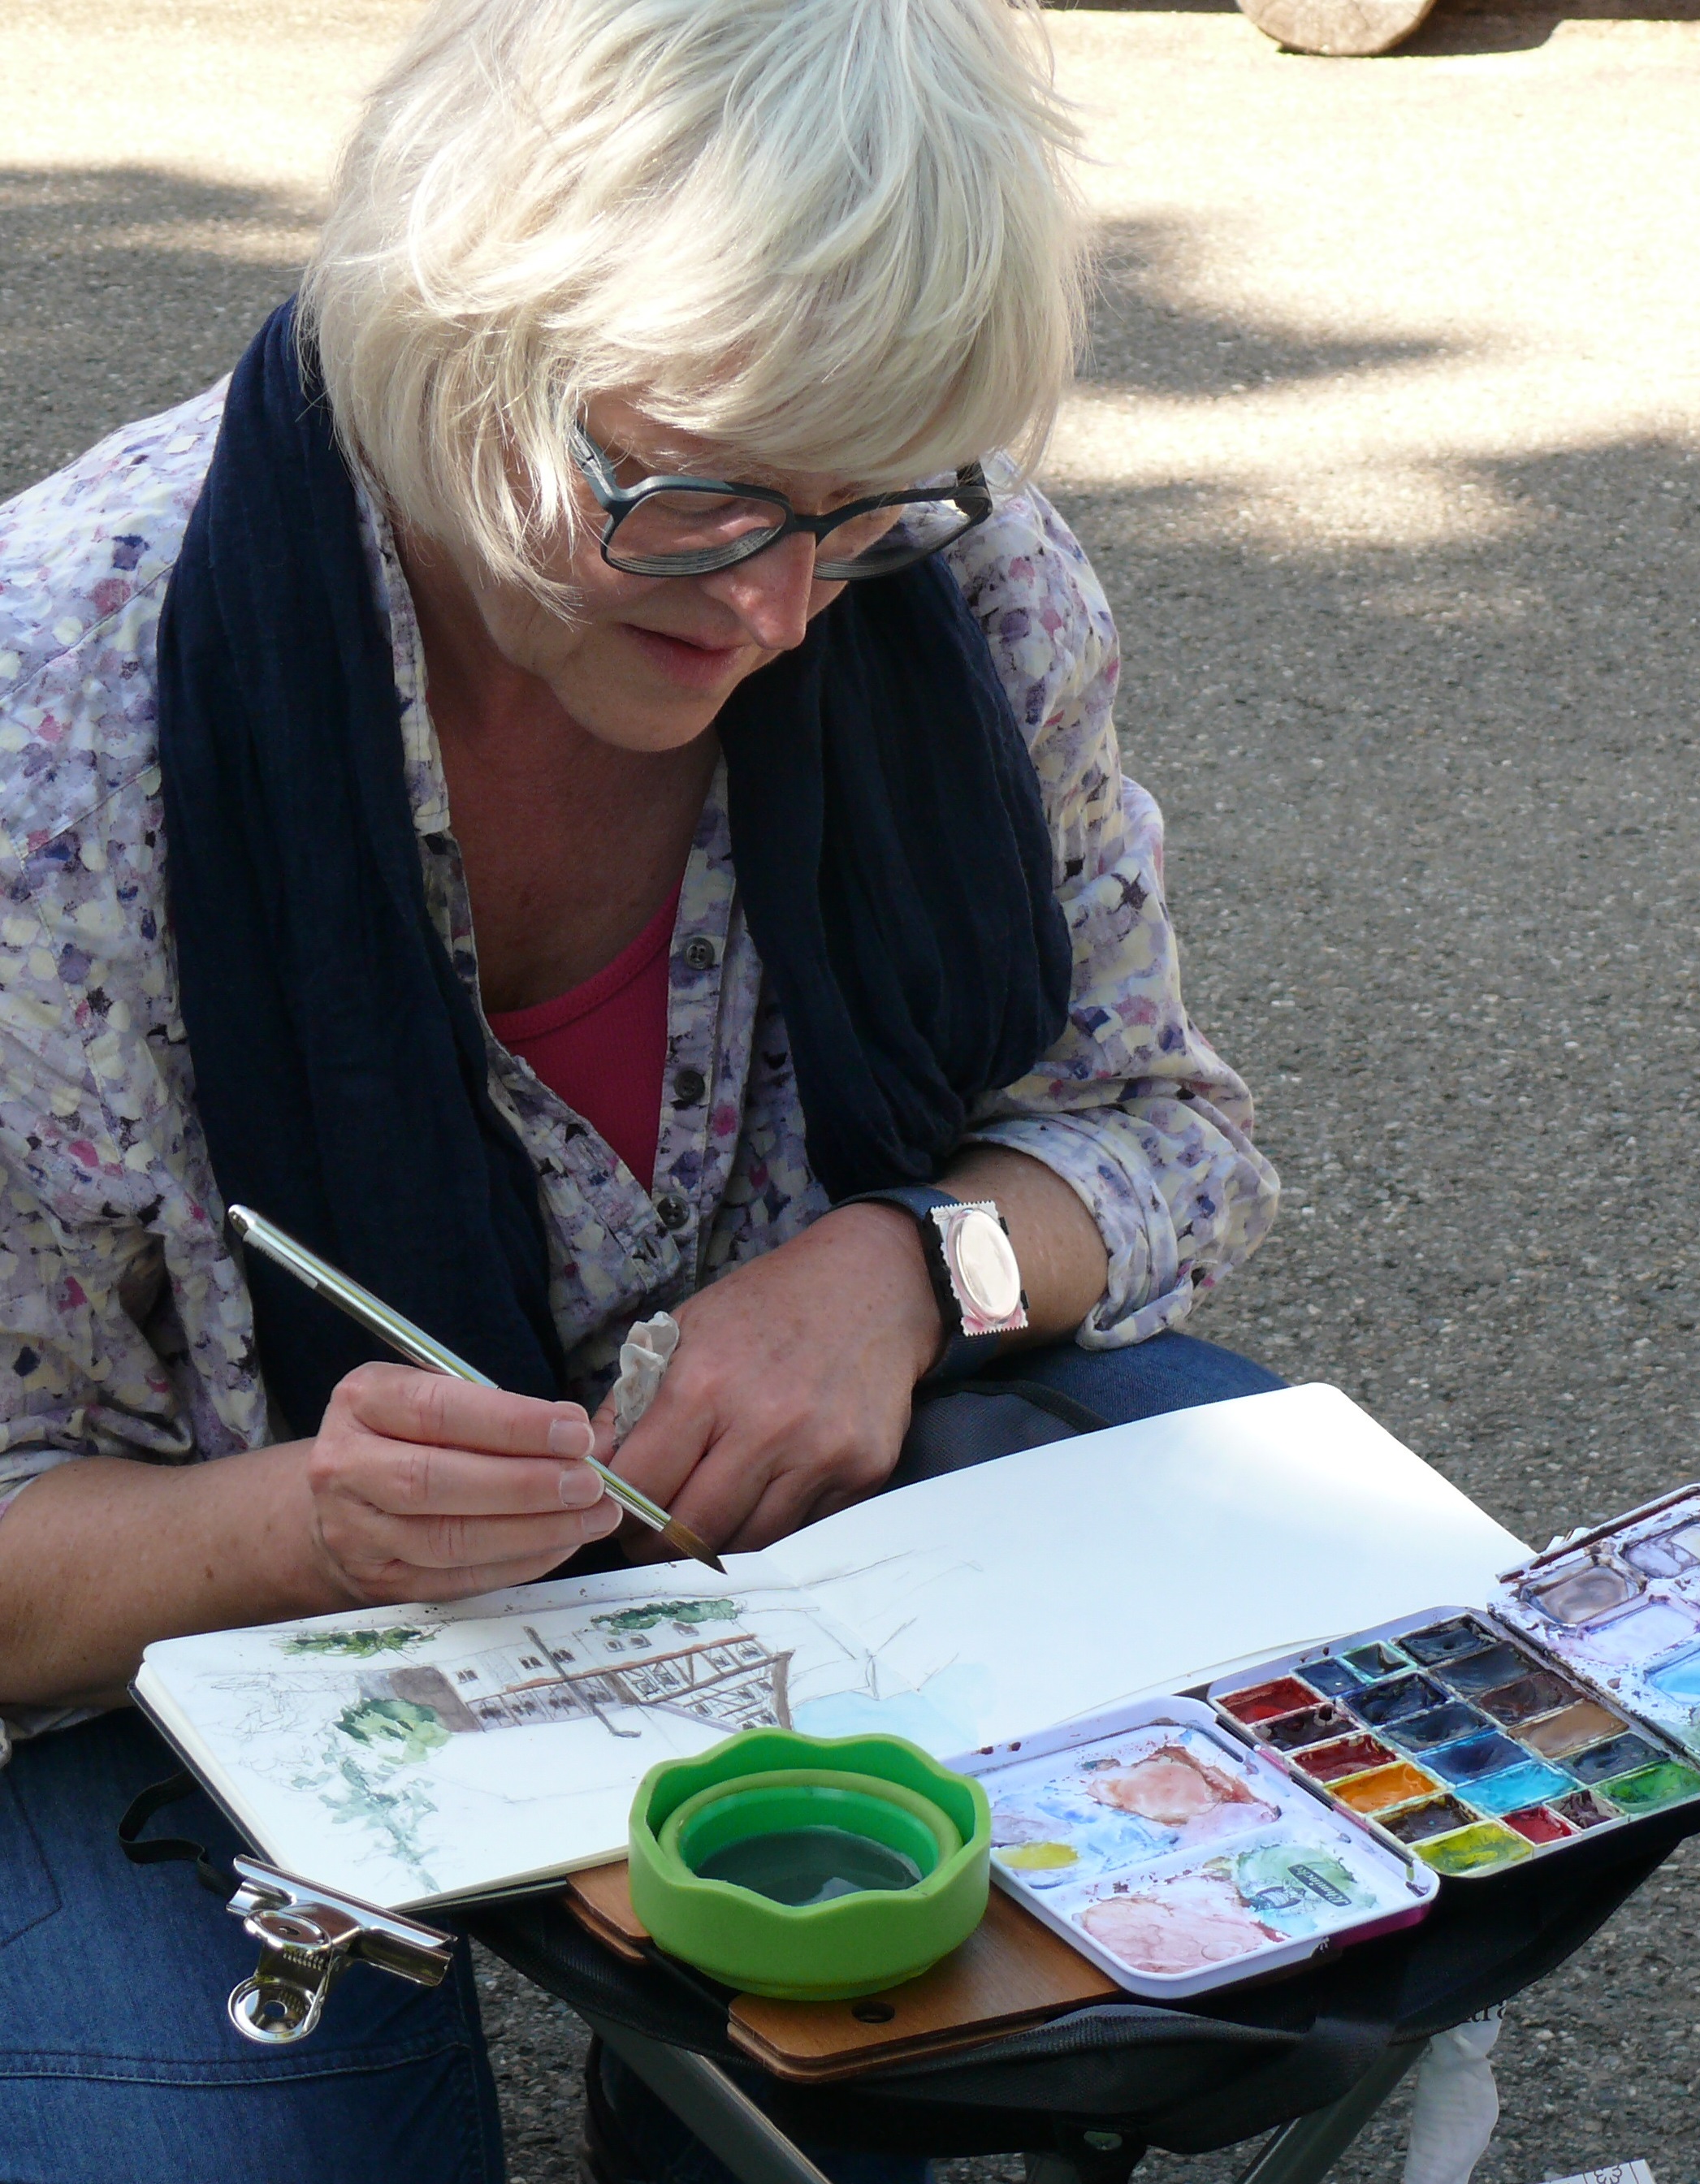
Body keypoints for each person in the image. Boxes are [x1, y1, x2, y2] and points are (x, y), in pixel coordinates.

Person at [0, 0, 1281, 2176]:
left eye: (853, 508)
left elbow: (1158, 1131)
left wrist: (910, 1268)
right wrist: (303, 1523)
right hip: (194, 1641)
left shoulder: (951, 577)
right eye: (695, 496)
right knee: (260, 2137)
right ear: (456, 344)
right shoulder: (58, 735)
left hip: (777, 1560)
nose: (779, 607)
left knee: (960, 1943)